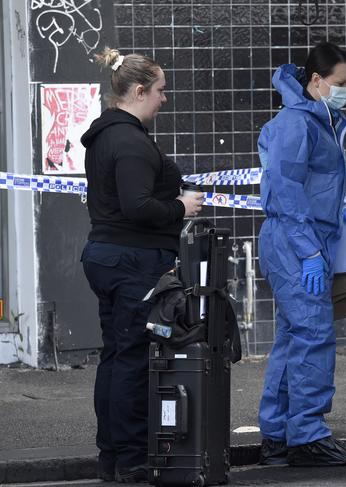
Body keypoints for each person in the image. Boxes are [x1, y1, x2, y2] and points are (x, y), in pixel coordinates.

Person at [80, 48, 204, 483]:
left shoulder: (105, 136)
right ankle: (131, 461)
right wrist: (179, 206)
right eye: (160, 91)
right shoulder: (129, 141)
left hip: (108, 256)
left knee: (116, 356)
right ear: (138, 91)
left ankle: (112, 457)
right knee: (133, 359)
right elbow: (138, 207)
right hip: (131, 261)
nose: (164, 99)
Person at [256, 42, 346, 467]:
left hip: (302, 237)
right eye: (341, 84)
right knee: (314, 335)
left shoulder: (319, 119)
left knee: (294, 337)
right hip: (297, 239)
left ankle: (279, 434)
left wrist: (345, 209)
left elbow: (312, 184)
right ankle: (308, 434)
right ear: (316, 80)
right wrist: (309, 251)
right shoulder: (298, 123)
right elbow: (284, 190)